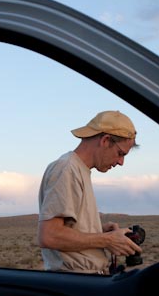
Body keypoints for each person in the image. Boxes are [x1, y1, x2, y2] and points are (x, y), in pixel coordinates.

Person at [37, 110, 142, 275]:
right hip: (75, 280)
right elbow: (49, 235)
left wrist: (99, 231)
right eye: (120, 154)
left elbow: (65, 228)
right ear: (106, 140)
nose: (121, 162)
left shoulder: (79, 169)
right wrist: (107, 240)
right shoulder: (67, 169)